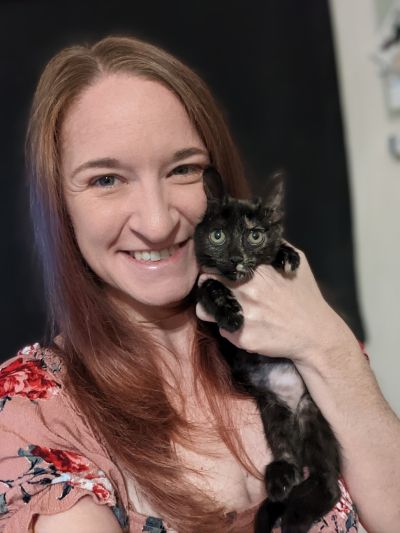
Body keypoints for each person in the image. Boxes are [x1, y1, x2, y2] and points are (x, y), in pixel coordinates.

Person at [0, 35, 399, 533]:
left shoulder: (300, 332)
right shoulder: (34, 410)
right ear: (61, 205)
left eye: (183, 169)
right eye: (107, 179)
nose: (157, 221)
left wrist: (329, 345)